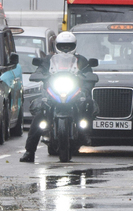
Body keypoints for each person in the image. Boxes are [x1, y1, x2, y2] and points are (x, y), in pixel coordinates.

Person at [20, 32, 98, 163]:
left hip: (74, 92)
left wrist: (86, 86)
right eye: (63, 46)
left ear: (74, 46)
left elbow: (89, 74)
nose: (66, 49)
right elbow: (40, 70)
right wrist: (38, 74)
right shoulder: (49, 59)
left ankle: (85, 132)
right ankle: (29, 151)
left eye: (69, 46)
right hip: (53, 92)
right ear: (57, 46)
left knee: (88, 103)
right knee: (39, 115)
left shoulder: (81, 60)